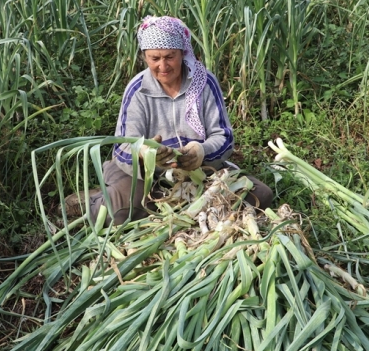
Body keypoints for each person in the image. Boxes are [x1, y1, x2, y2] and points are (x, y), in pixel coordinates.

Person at [69, 15, 273, 224]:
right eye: (154, 58)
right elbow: (122, 147)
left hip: (199, 171)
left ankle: (164, 203)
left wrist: (200, 152)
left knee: (259, 196)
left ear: (182, 54)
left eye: (169, 57)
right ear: (145, 57)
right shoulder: (138, 89)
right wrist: (145, 154)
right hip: (145, 176)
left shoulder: (204, 83)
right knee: (115, 214)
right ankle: (93, 199)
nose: (162, 66)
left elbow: (224, 137)